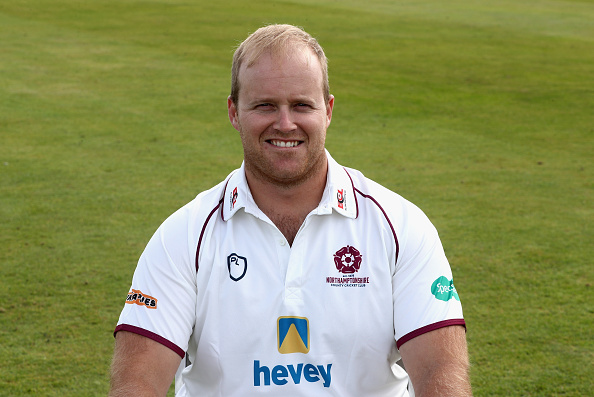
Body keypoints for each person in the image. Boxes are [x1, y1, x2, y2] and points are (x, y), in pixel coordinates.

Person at [109, 24, 472, 397]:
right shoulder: (184, 235)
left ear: (327, 110)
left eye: (301, 105)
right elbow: (137, 382)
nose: (285, 123)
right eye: (265, 105)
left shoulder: (400, 226)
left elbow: (440, 372)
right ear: (234, 112)